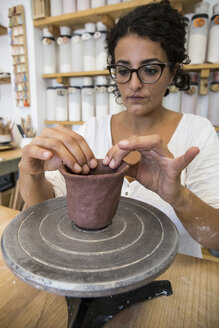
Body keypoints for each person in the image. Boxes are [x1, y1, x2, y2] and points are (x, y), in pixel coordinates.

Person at [19, 0, 219, 258]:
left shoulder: (197, 133)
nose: (134, 84)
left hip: (175, 280)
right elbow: (44, 207)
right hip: (95, 270)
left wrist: (178, 196)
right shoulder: (91, 129)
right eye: (123, 70)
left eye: (149, 69)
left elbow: (216, 236)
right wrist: (32, 172)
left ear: (172, 73)